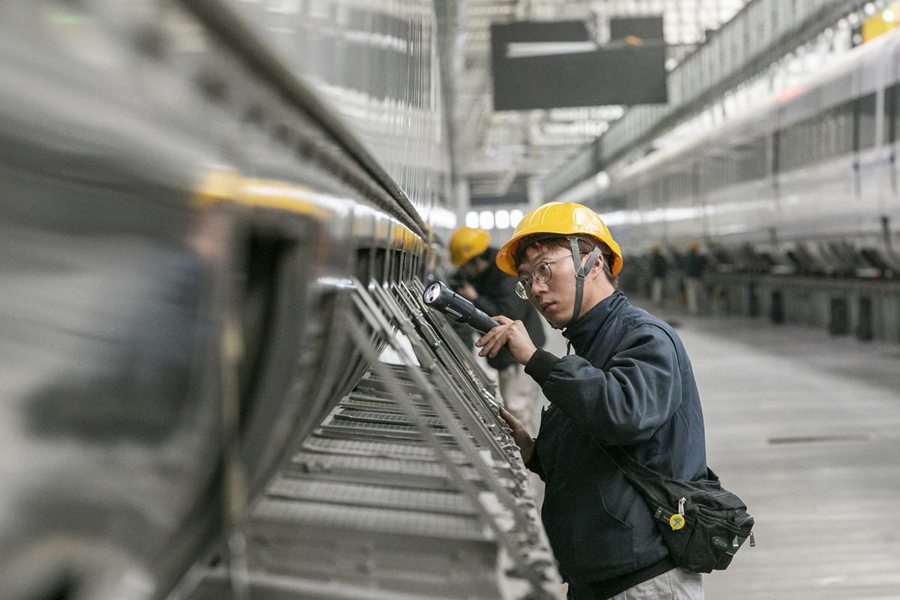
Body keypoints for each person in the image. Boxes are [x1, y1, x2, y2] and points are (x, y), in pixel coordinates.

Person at [474, 202, 708, 600]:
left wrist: (535, 359)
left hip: (644, 583)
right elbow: (601, 452)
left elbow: (623, 414)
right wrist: (532, 452)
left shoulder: (644, 337)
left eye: (544, 269)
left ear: (594, 262)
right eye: (526, 279)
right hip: (599, 579)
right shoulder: (586, 345)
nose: (535, 289)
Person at [449, 226, 546, 436]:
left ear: (476, 261)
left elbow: (506, 316)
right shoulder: (482, 272)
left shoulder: (505, 275)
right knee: (518, 407)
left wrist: (474, 298)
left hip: (520, 352)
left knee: (517, 408)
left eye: (465, 267)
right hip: (506, 353)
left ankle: (528, 463)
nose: (463, 273)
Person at [683, 240, 706, 315]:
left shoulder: (687, 255)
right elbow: (700, 265)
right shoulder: (696, 256)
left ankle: (693, 309)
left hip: (689, 277)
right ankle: (697, 309)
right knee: (697, 294)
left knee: (692, 294)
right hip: (695, 277)